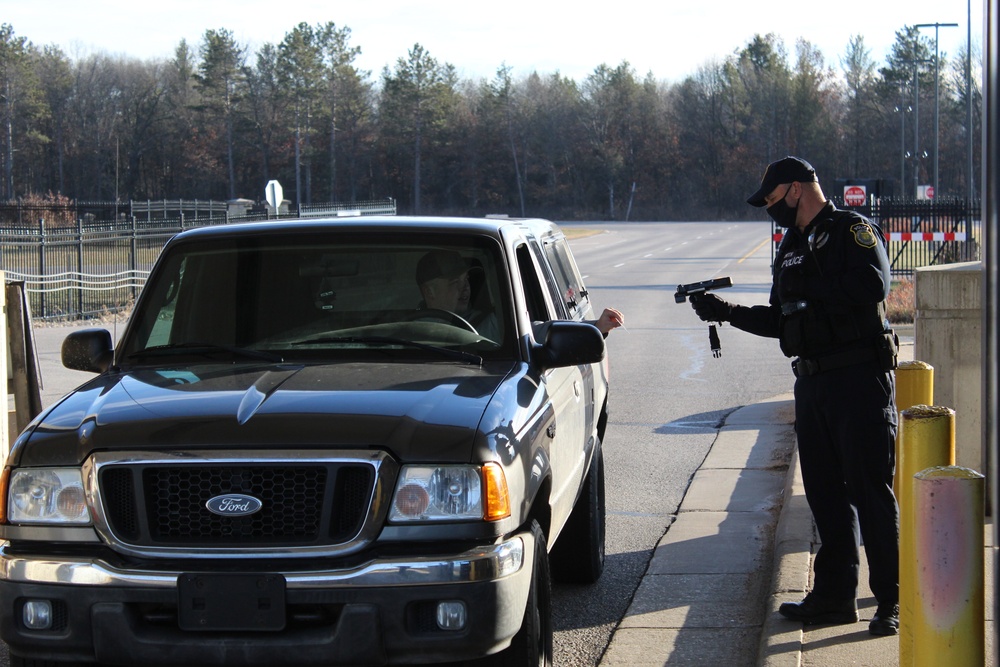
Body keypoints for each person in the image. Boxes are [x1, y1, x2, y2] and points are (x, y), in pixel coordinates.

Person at [689, 156, 900, 636]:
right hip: (812, 383)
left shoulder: (851, 230)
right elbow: (782, 319)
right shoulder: (791, 247)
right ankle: (833, 598)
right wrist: (726, 311)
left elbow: (873, 285)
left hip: (858, 380)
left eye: (771, 199)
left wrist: (812, 286)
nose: (769, 209)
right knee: (826, 495)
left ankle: (890, 599)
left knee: (870, 492)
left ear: (797, 188)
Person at [416, 250, 625, 339]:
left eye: (466, 280)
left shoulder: (490, 325)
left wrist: (596, 327)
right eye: (455, 282)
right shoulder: (400, 328)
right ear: (429, 291)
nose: (465, 288)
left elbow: (539, 331)